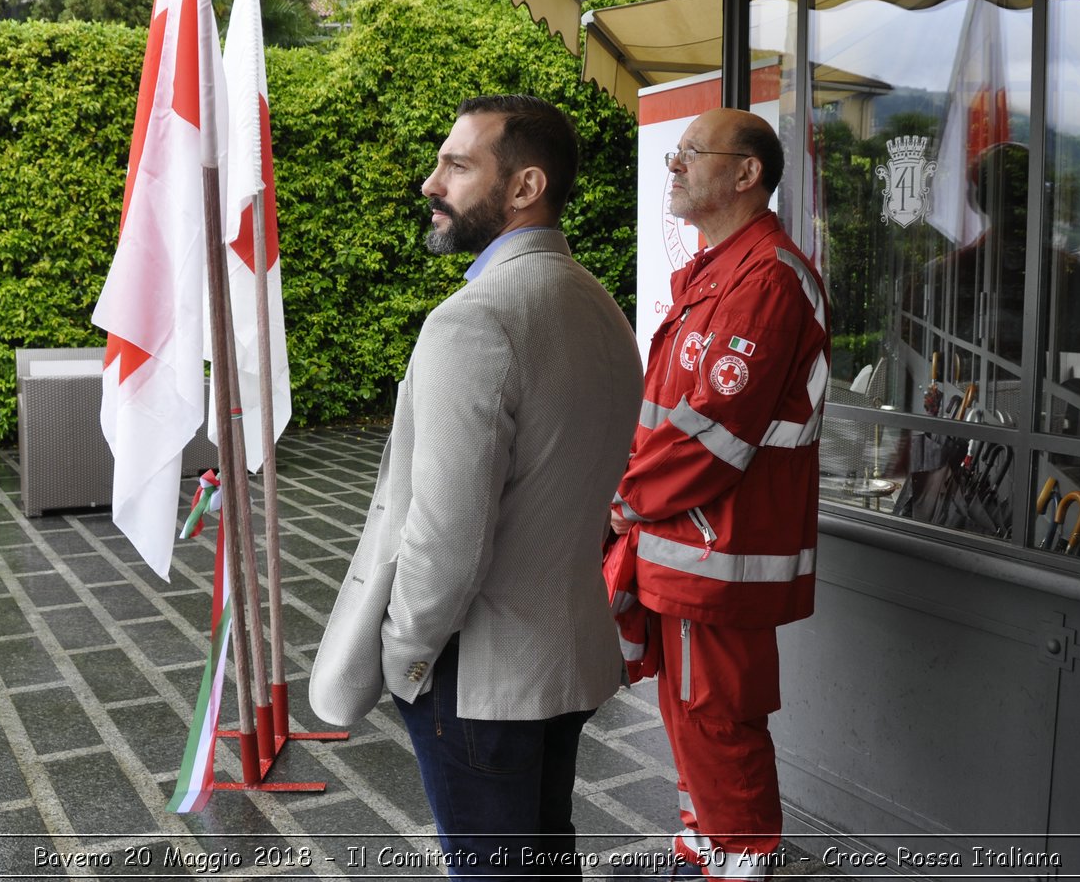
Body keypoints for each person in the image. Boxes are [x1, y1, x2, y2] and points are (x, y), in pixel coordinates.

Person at [310, 94, 643, 878]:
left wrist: (405, 660)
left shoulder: (473, 320)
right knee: (545, 860)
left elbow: (447, 536)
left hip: (477, 674)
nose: (432, 182)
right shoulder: (601, 307)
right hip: (565, 656)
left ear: (525, 186)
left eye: (457, 165)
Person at [609, 107, 830, 882]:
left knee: (719, 714)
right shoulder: (719, 269)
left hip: (719, 546)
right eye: (676, 152)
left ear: (747, 174)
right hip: (687, 541)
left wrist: (624, 498)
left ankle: (739, 866)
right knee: (688, 712)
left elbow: (712, 435)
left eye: (692, 153)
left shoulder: (766, 278)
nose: (675, 165)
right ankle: (699, 849)